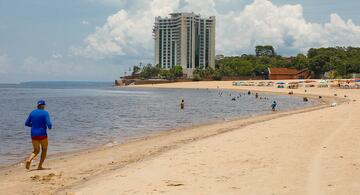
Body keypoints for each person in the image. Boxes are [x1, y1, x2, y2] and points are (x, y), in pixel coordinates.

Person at [25, 100, 52, 170]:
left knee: (36, 151)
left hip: (33, 135)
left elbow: (27, 123)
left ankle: (29, 159)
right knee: (44, 149)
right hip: (42, 134)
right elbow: (49, 124)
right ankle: (40, 166)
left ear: (37, 105)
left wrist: (34, 125)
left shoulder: (32, 112)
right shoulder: (45, 113)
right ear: (43, 106)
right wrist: (49, 127)